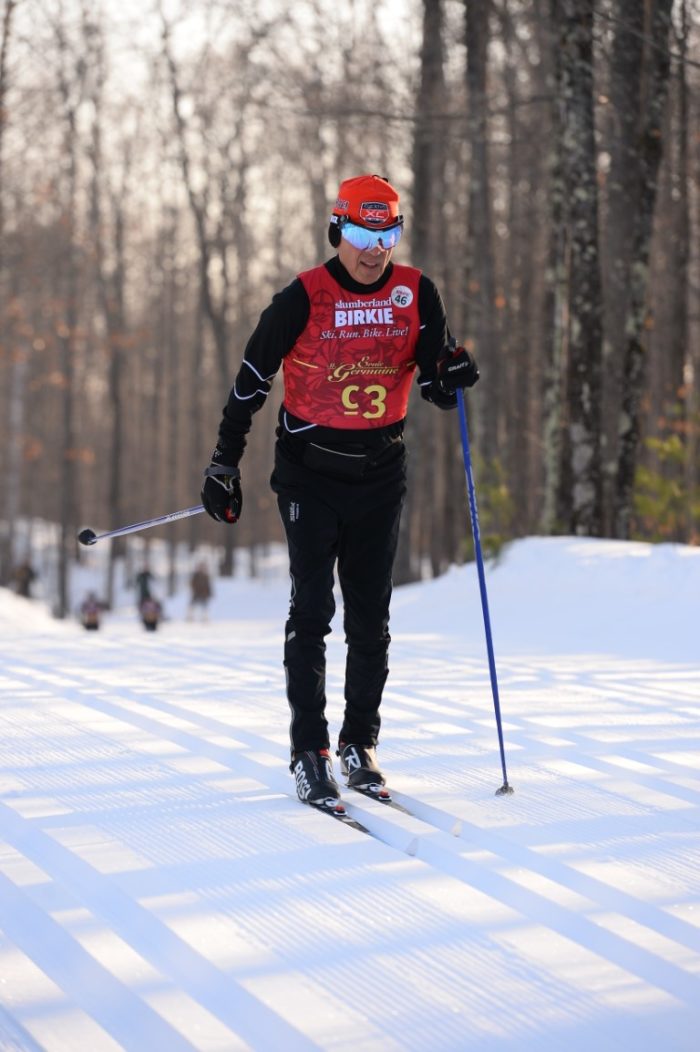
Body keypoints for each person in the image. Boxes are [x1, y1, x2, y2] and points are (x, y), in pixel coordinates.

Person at [201, 173, 479, 812]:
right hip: (309, 472)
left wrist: (453, 374)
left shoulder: (417, 294)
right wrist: (223, 463)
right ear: (337, 229)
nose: (372, 248)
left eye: (386, 233)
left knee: (371, 617)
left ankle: (359, 743)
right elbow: (250, 383)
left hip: (380, 471)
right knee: (312, 611)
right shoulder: (303, 297)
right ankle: (309, 750)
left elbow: (436, 383)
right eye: (359, 232)